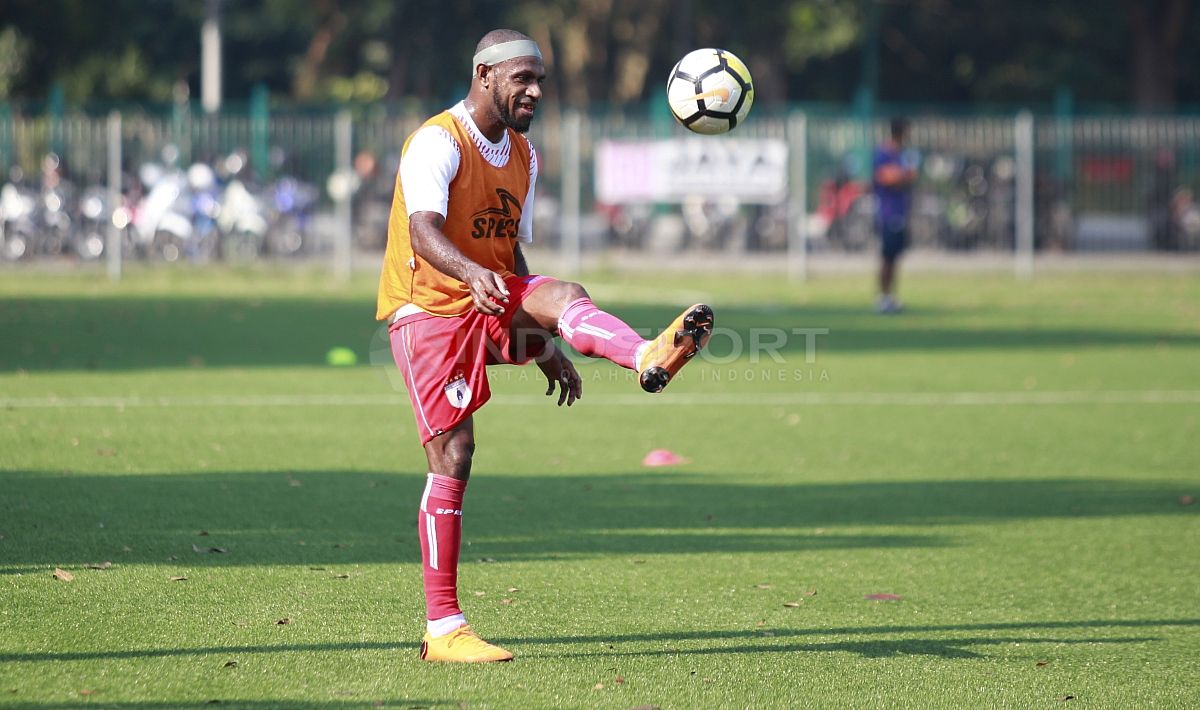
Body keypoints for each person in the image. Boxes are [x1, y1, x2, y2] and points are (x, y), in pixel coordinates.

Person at [376, 29, 714, 663]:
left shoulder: (525, 155)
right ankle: (444, 629)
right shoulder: (435, 141)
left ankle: (644, 355)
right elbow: (422, 231)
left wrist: (543, 340)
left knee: (564, 292)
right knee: (454, 453)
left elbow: (513, 254)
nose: (534, 91)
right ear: (483, 76)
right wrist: (471, 273)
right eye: (521, 79)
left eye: (540, 81)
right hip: (429, 308)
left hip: (491, 291)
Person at [872, 118, 918, 313]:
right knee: (887, 257)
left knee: (895, 258)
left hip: (900, 211)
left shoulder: (902, 155)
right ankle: (882, 297)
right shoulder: (884, 154)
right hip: (887, 212)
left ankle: (891, 296)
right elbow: (887, 177)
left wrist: (903, 176)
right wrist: (903, 176)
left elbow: (909, 176)